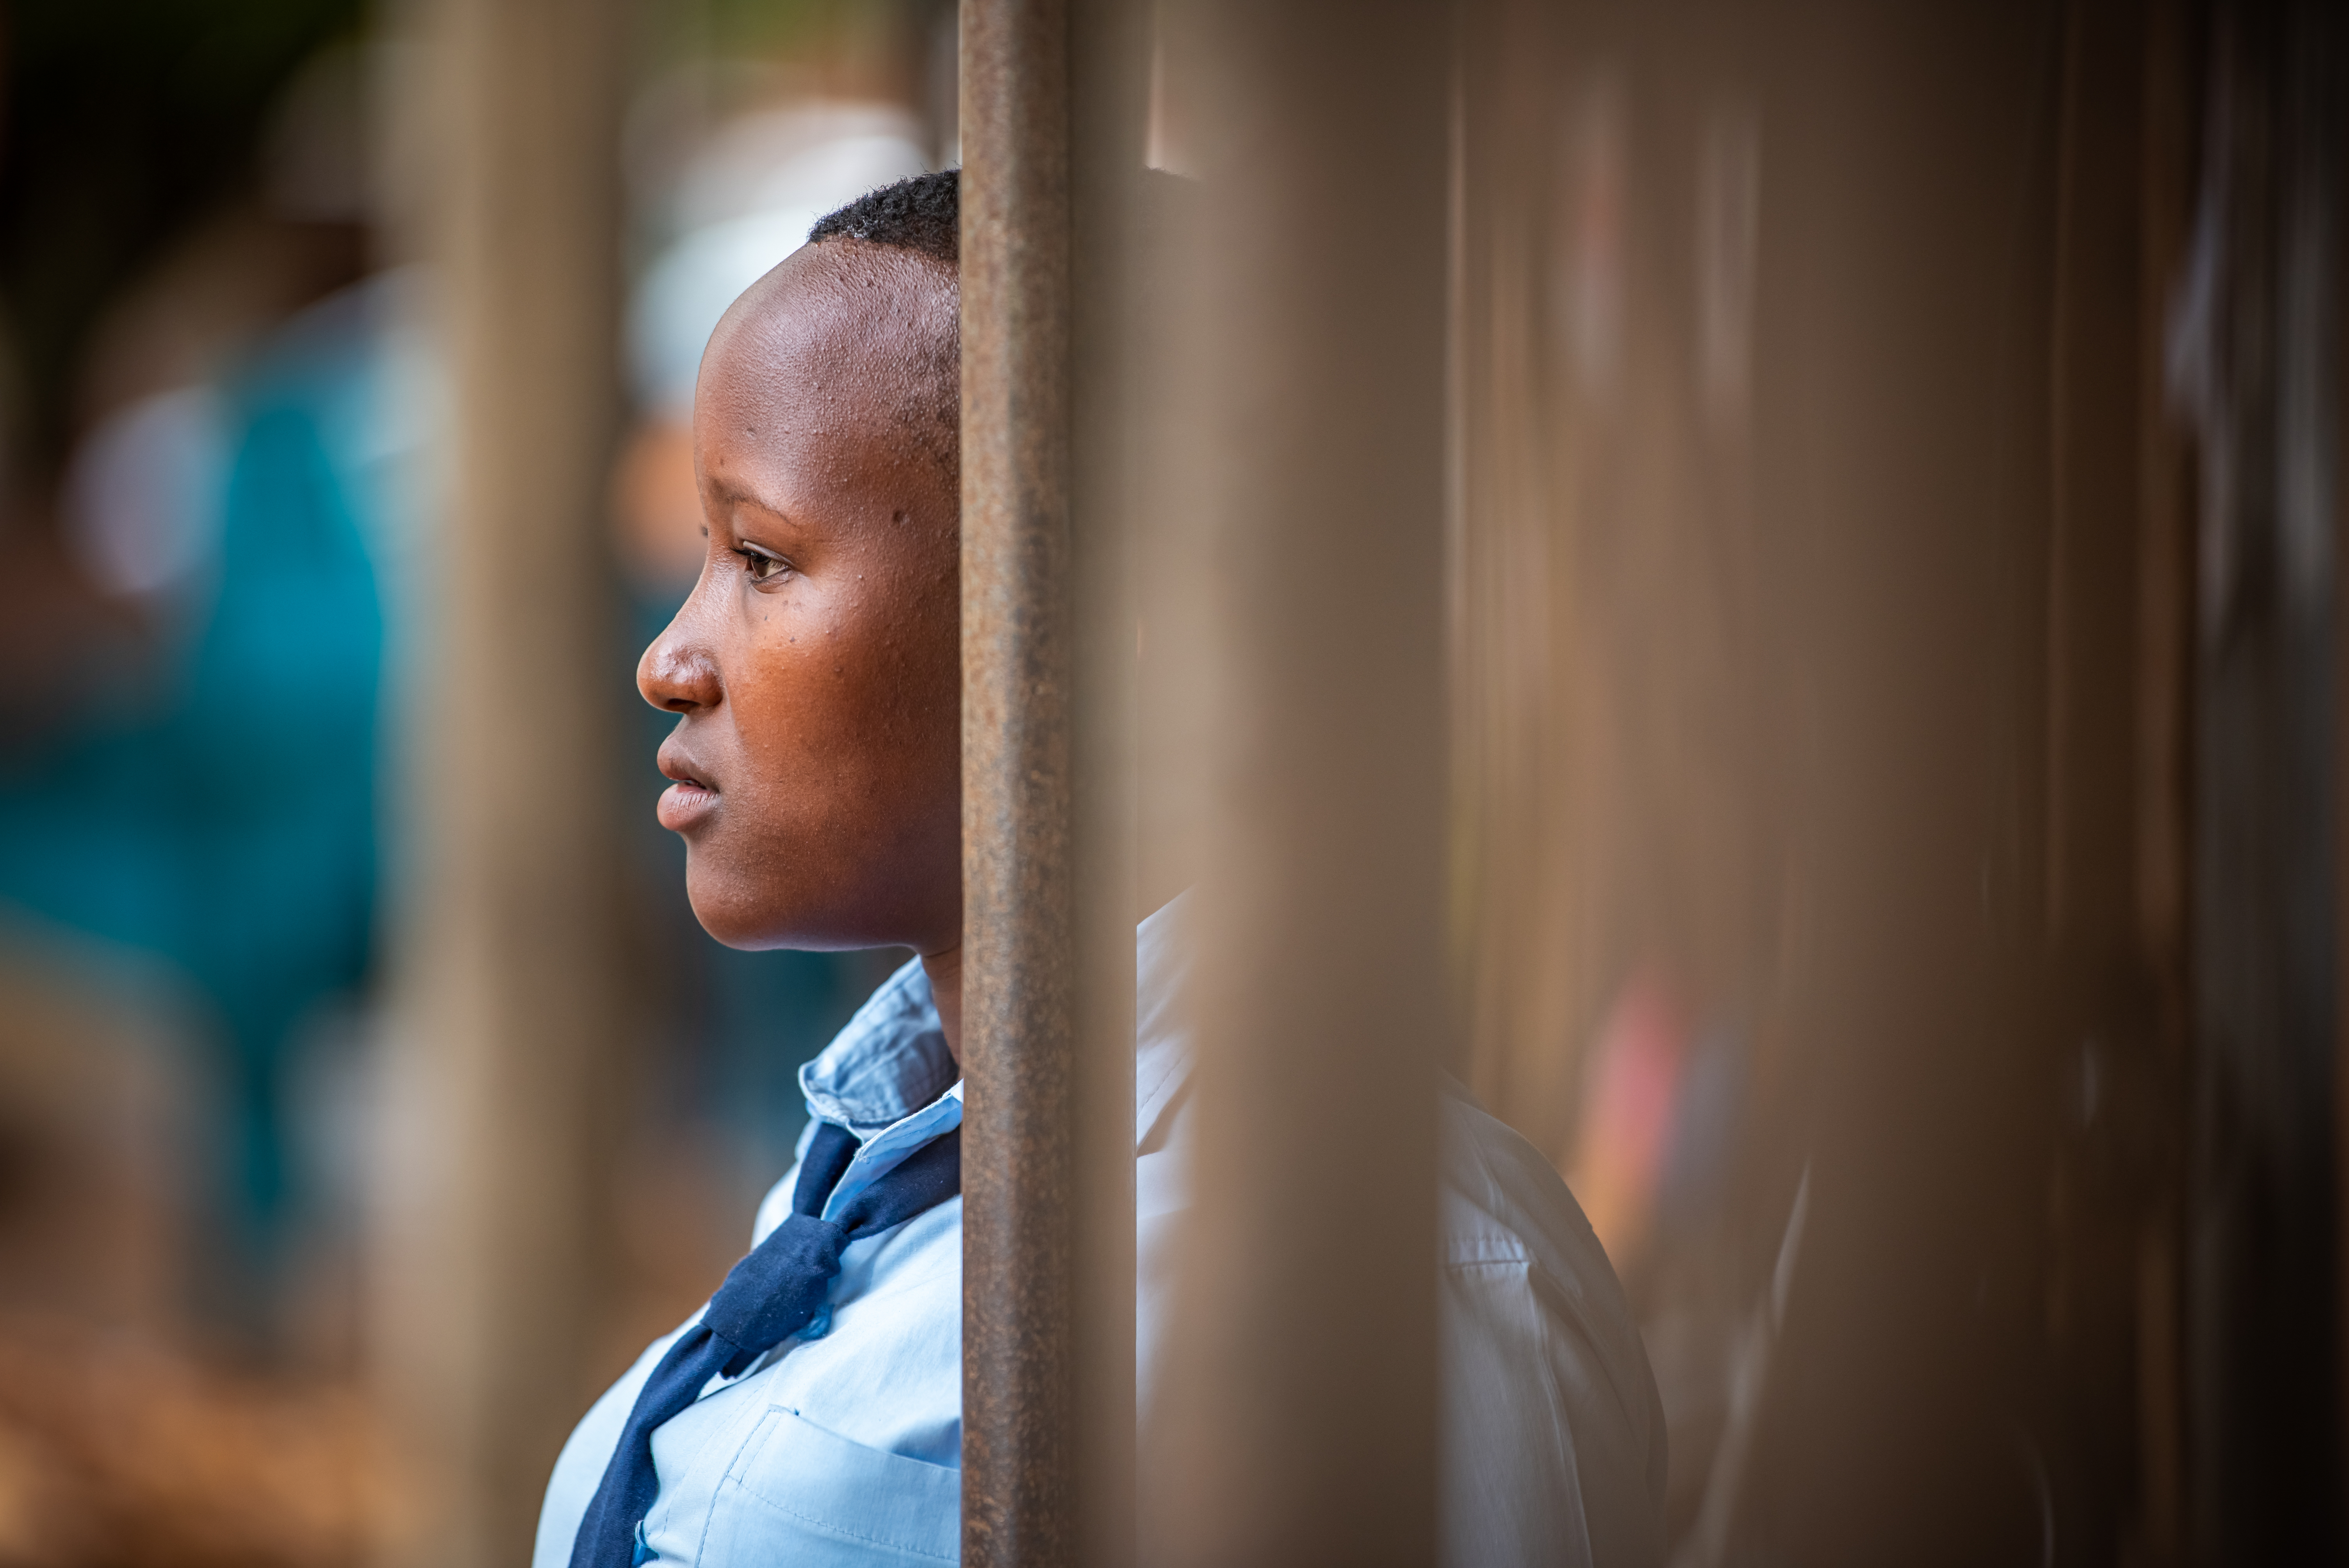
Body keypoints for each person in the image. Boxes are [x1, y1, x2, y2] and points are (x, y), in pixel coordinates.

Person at [533, 171, 1667, 1568]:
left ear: (1091, 629)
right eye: (703, 558)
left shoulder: (1383, 1295)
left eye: (761, 559)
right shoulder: (883, 1172)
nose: (669, 663)